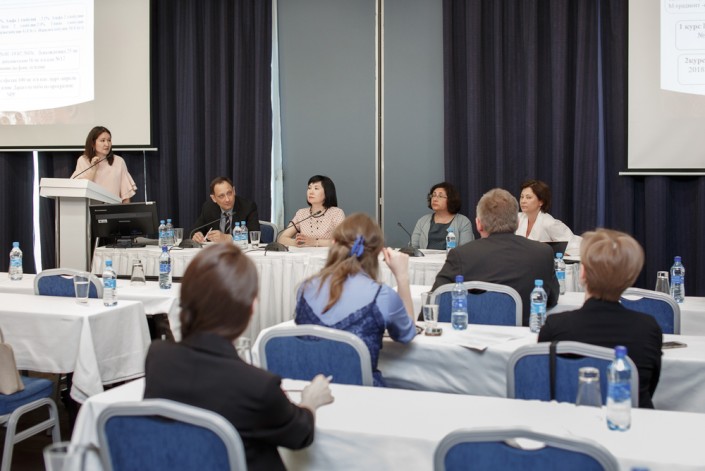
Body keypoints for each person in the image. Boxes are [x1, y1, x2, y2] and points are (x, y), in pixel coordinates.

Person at [144, 244, 334, 470]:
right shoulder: (258, 386)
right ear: (252, 307)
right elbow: (300, 434)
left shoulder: (157, 358)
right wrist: (311, 401)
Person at [538, 229, 662, 409]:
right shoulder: (648, 329)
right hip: (630, 420)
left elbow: (544, 381)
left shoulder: (555, 326)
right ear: (630, 278)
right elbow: (648, 388)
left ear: (582, 274)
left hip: (568, 419)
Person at [294, 213, 416, 386]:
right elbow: (407, 334)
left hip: (311, 389)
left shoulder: (305, 288)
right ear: (377, 252)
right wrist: (402, 276)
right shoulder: (381, 296)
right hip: (361, 395)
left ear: (333, 243)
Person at [432, 188, 559, 326]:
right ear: (517, 223)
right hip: (522, 336)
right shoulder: (543, 253)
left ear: (479, 224)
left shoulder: (460, 255)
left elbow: (434, 304)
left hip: (472, 334)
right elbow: (551, 299)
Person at [71, 126, 137, 202]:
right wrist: (93, 170)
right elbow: (80, 190)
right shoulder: (83, 160)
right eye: (102, 140)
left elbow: (126, 197)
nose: (107, 144)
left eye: (109, 140)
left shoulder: (119, 161)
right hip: (89, 207)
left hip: (113, 208)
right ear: (93, 143)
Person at [516, 179, 581, 255]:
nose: (523, 201)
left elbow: (575, 246)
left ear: (541, 202)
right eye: (522, 197)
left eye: (528, 197)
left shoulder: (549, 223)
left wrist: (559, 254)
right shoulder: (517, 218)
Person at [278, 175, 345, 248]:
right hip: (304, 254)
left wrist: (314, 242)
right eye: (309, 188)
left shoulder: (336, 213)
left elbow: (343, 241)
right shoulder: (301, 213)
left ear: (327, 192)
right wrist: (296, 242)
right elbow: (282, 239)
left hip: (327, 255)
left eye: (316, 188)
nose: (311, 192)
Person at [191, 177, 260, 243]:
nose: (227, 199)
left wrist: (228, 238)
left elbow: (254, 235)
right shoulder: (208, 208)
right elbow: (194, 230)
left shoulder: (247, 207)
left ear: (234, 191)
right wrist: (197, 235)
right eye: (221, 196)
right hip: (217, 250)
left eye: (229, 193)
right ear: (213, 198)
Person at [411, 182, 474, 250]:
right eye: (433, 195)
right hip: (425, 257)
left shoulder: (463, 222)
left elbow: (466, 250)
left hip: (452, 257)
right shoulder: (422, 221)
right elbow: (413, 247)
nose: (435, 199)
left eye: (440, 196)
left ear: (451, 199)